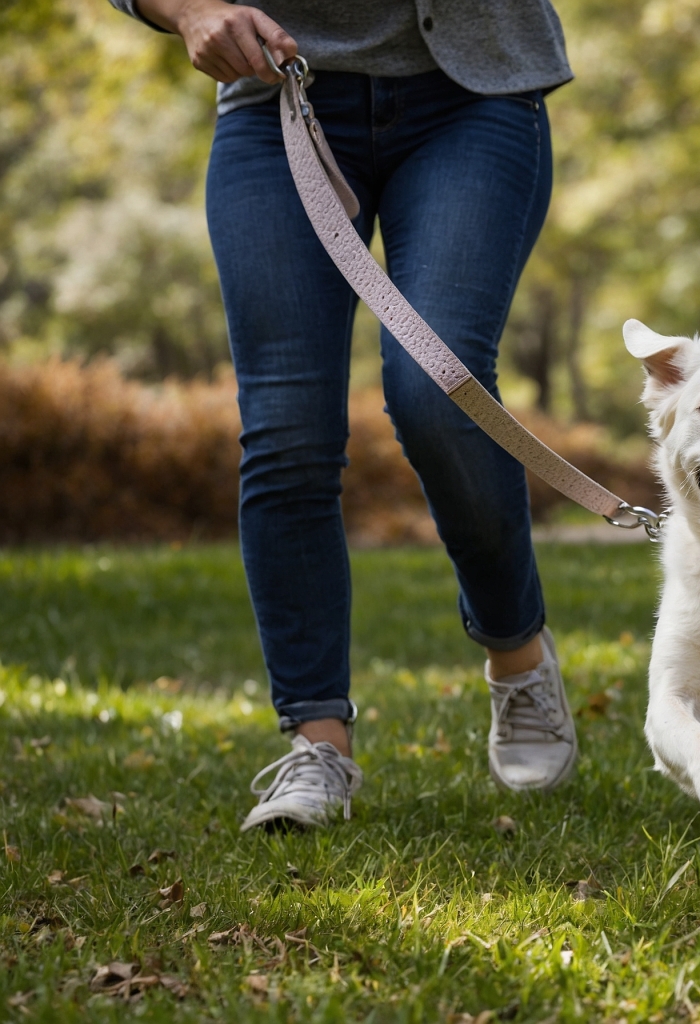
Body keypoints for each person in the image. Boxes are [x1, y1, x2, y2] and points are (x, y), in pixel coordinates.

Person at [109, 0, 579, 830]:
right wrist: (186, 10)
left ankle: (517, 649)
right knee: (287, 428)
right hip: (279, 95)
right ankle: (317, 744)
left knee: (440, 387)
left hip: (473, 96)